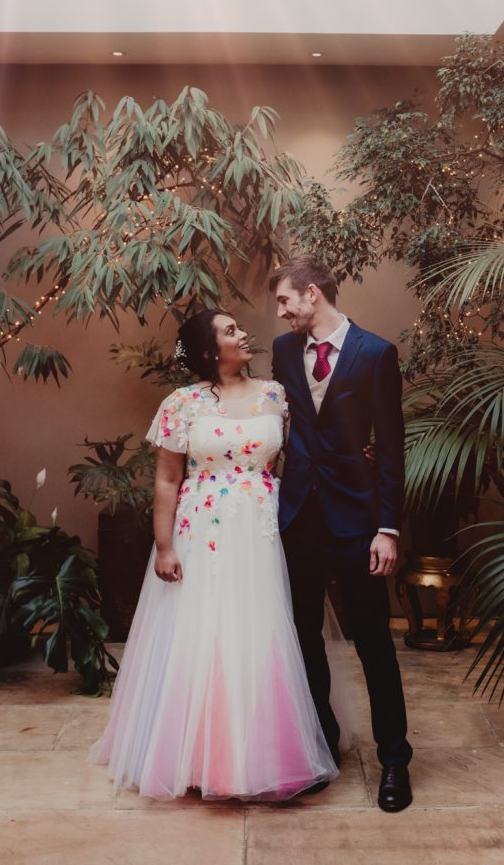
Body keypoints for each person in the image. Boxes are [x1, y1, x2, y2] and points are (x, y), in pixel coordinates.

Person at [89, 309, 338, 801]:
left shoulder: (275, 394)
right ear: (209, 351)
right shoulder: (181, 404)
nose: (243, 335)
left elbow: (307, 456)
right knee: (204, 628)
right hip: (200, 530)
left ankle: (270, 752)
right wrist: (163, 545)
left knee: (261, 627)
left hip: (264, 527)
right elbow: (166, 478)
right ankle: (198, 753)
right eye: (230, 331)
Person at [270, 256, 413, 813]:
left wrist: (387, 527)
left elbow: (393, 448)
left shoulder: (376, 354)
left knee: (374, 641)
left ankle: (395, 761)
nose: (280, 313)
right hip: (298, 517)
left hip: (358, 521)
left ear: (311, 294)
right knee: (303, 636)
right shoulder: (284, 353)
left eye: (285, 301)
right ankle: (322, 747)